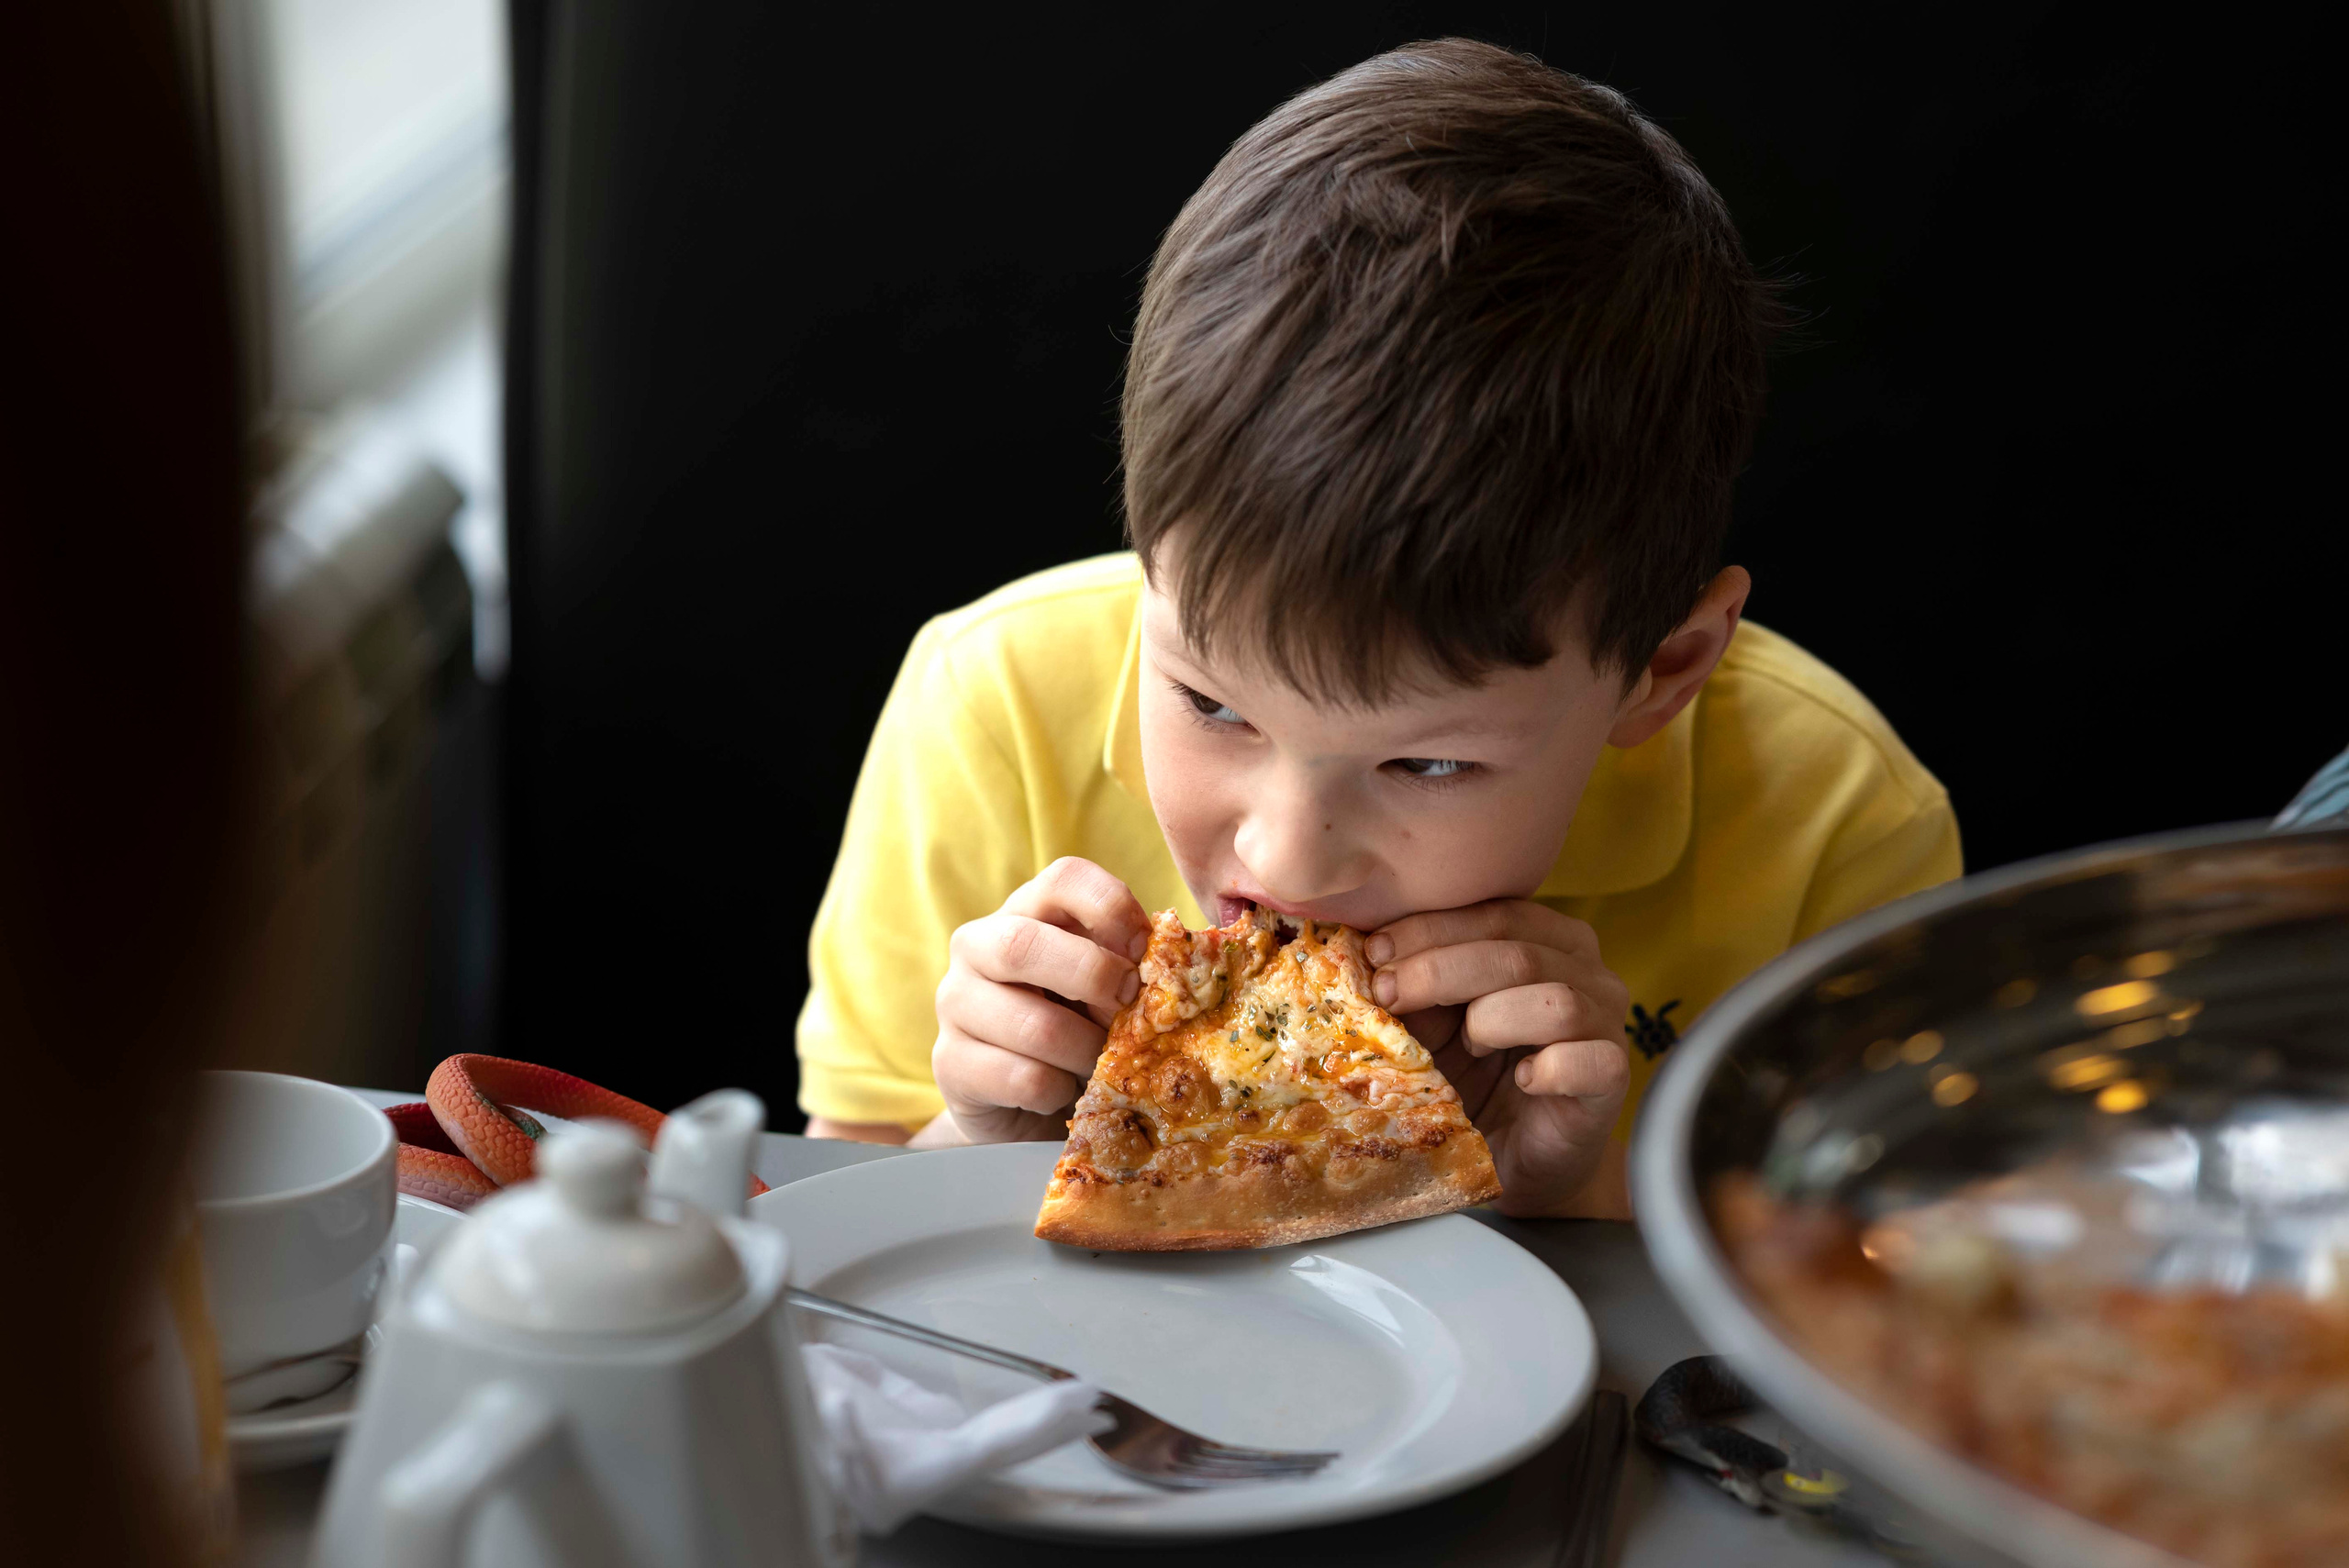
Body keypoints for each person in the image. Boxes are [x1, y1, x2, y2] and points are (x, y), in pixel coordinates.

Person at [796, 39, 1958, 1219]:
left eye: (1428, 761)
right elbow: (833, 1208)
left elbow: (1871, 1282)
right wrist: (986, 1135)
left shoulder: (1838, 821)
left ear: (1661, 671)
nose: (1288, 862)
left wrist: (1546, 1184)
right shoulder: (994, 701)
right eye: (1212, 704)